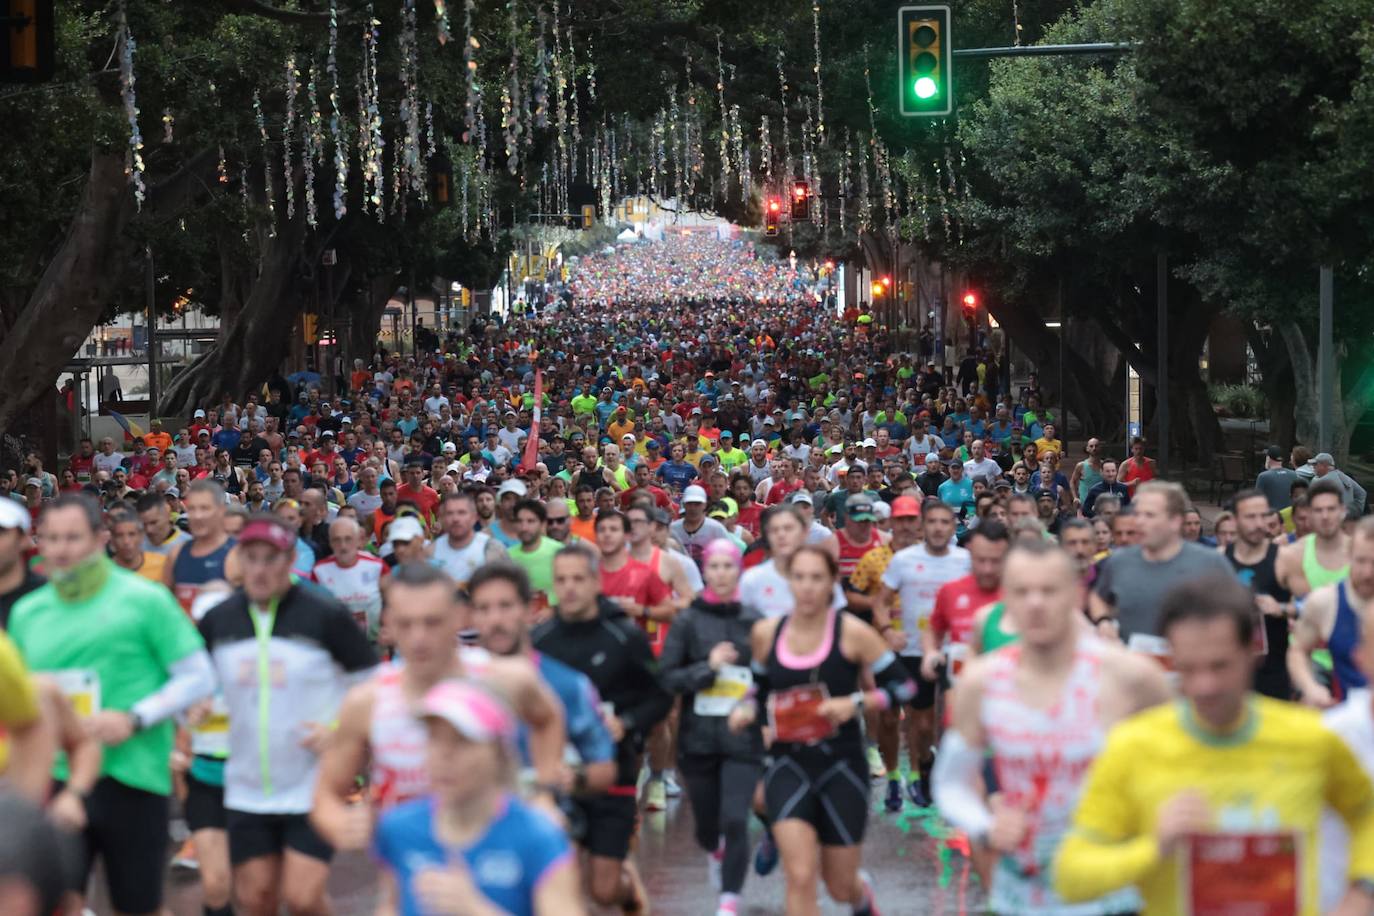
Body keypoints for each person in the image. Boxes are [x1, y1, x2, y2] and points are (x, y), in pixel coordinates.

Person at [1053, 572, 1374, 915]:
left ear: (1253, 650)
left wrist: (1362, 892)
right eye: (1188, 668)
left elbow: (1365, 815)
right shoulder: (1133, 746)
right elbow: (1070, 876)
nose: (1205, 685)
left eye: (1220, 666)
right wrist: (1152, 847)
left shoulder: (1311, 739)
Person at [934, 538, 1169, 912]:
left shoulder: (1131, 676)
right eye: (1023, 591)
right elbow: (950, 783)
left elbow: (1180, 766)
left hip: (1114, 893)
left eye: (1049, 590)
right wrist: (985, 825)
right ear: (1005, 598)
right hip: (1025, 894)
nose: (1036, 603)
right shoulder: (981, 681)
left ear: (1075, 594)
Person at [9, 494, 216, 916]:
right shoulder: (28, 613)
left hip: (134, 774)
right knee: (56, 905)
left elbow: (199, 675)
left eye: (73, 538)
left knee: (138, 906)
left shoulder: (145, 600)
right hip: (57, 779)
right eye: (51, 538)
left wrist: (136, 717)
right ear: (38, 542)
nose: (62, 549)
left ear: (99, 538)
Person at [312, 562, 569, 873]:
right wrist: (342, 825)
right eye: (406, 624)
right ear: (389, 624)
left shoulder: (503, 678)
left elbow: (548, 718)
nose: (419, 637)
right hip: (413, 874)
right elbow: (326, 795)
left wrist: (544, 793)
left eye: (432, 623)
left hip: (498, 864)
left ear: (459, 619)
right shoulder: (367, 700)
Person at [196, 516, 379, 916]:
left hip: (312, 786)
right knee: (256, 898)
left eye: (271, 559)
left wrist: (339, 732)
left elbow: (372, 685)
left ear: (291, 559)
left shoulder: (324, 614)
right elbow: (192, 683)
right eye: (252, 558)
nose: (260, 569)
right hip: (246, 789)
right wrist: (193, 709)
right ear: (240, 560)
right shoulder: (219, 620)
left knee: (302, 898)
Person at [727, 546, 914, 916]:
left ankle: (860, 896)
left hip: (841, 765)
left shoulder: (854, 633)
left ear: (832, 584)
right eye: (800, 578)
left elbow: (904, 687)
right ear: (788, 582)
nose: (808, 587)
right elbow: (756, 688)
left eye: (817, 578)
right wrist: (747, 712)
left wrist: (856, 703)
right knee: (799, 874)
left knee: (839, 885)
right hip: (787, 764)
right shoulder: (767, 633)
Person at [533, 543, 673, 912]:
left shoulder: (624, 636)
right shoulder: (540, 641)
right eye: (561, 580)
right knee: (554, 881)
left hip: (616, 770)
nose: (570, 588)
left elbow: (660, 698)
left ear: (596, 582)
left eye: (579, 578)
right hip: (559, 775)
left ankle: (627, 887)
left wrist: (625, 723)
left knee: (603, 890)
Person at [371, 679, 583, 916]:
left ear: (499, 752)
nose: (444, 754)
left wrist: (474, 909)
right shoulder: (397, 827)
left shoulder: (539, 837)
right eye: (434, 737)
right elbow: (390, 905)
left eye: (461, 740)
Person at [659, 538, 764, 916]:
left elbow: (768, 678)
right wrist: (709, 667)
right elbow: (667, 678)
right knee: (708, 827)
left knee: (736, 818)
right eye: (714, 567)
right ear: (705, 571)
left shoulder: (754, 621)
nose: (721, 573)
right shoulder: (688, 620)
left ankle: (729, 901)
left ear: (739, 571)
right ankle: (714, 849)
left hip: (741, 739)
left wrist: (754, 704)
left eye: (728, 566)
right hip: (698, 740)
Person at [874, 499, 970, 806]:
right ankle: (925, 764)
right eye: (932, 522)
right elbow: (880, 601)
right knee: (923, 723)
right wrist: (888, 631)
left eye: (945, 522)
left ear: (953, 527)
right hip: (915, 650)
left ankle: (953, 775)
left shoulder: (965, 560)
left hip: (958, 651)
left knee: (958, 720)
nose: (939, 528)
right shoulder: (904, 560)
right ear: (922, 526)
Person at [1089, 481, 1234, 641]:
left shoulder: (1211, 563)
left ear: (1175, 521)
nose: (1139, 522)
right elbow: (1097, 597)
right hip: (1134, 663)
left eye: (1149, 515)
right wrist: (1103, 622)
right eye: (1137, 514)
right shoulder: (1119, 560)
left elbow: (1238, 615)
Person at [1288, 518, 1374, 708]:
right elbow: (1298, 650)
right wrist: (1311, 687)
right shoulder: (1326, 601)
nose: (1368, 572)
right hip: (1349, 723)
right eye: (1361, 561)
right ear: (1349, 556)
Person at [1224, 489, 1295, 700]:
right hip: (1230, 671)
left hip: (1273, 671)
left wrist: (1281, 608)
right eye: (1250, 517)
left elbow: (1311, 608)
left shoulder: (1285, 559)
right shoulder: (1219, 560)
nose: (1258, 523)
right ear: (1235, 520)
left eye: (1262, 516)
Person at [739, 505, 846, 620]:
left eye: (788, 528)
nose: (781, 535)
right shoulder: (751, 579)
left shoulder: (824, 576)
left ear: (804, 532)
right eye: (774, 530)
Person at [164, 479, 239, 614]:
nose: (197, 516)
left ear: (221, 511)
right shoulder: (176, 553)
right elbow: (165, 607)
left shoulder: (238, 554)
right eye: (192, 509)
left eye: (205, 508)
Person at [311, 516, 389, 639]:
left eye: (348, 539)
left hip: (374, 644)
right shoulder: (319, 571)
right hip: (336, 646)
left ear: (358, 540)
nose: (343, 546)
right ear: (330, 542)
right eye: (337, 540)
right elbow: (314, 610)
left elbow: (393, 601)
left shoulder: (377, 566)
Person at [1277, 477, 1352, 597]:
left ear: (1343, 511)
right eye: (1318, 510)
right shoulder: (1292, 554)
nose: (1325, 516)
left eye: (1331, 509)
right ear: (1310, 514)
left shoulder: (1361, 551)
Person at [430, 491, 509, 590]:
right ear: (441, 518)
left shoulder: (492, 548)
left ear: (474, 517)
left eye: (462, 512)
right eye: (449, 513)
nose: (456, 519)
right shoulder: (430, 551)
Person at [107, 505, 167, 582]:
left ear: (141, 536)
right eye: (119, 535)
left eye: (132, 534)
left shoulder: (162, 565)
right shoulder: (103, 572)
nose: (126, 541)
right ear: (112, 539)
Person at [1255, 444, 1299, 511]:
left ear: (1268, 458)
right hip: (1290, 516)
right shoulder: (1293, 474)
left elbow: (1257, 500)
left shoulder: (1263, 476)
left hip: (1273, 517)